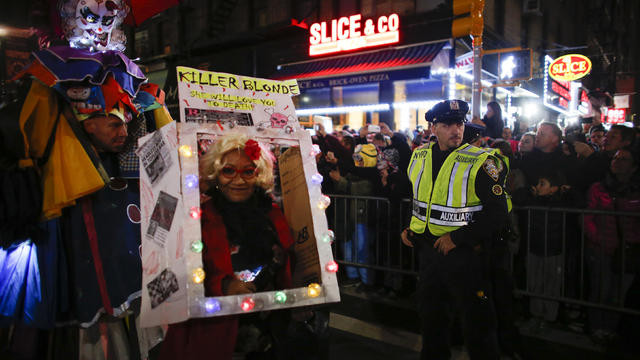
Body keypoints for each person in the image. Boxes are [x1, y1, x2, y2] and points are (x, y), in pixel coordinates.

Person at [160, 134, 294, 359]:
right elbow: (177, 276)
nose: (238, 181)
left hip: (269, 329)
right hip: (217, 331)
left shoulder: (274, 213)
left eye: (248, 171)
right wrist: (223, 285)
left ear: (259, 174)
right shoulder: (198, 218)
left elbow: (289, 264)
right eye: (228, 171)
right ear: (216, 174)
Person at [401, 100, 508, 360]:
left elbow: (498, 213)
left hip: (464, 255)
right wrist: (410, 228)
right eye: (447, 124)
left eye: (458, 123)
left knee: (478, 323)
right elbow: (419, 199)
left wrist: (459, 237)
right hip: (429, 251)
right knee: (431, 319)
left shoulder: (483, 161)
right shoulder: (419, 155)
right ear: (433, 127)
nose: (455, 130)